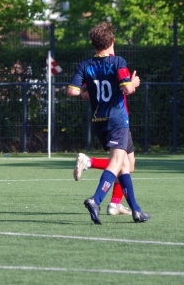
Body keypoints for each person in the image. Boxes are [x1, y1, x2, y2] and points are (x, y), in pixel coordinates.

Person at [67, 22, 150, 224]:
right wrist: (134, 83)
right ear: (112, 41)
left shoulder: (84, 65)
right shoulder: (117, 62)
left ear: (93, 44)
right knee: (117, 163)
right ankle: (96, 200)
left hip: (100, 120)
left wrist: (86, 92)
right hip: (117, 119)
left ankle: (136, 210)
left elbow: (74, 91)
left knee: (128, 165)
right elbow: (127, 89)